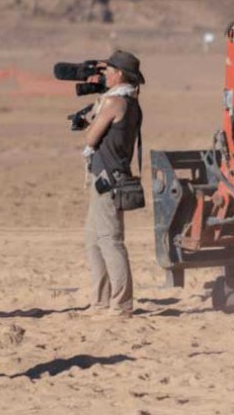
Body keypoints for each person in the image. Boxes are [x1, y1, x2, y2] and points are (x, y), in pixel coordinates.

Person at [82, 50, 145, 318]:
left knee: (110, 241)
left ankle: (121, 304)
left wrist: (92, 117)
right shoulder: (130, 103)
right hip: (107, 179)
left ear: (119, 74)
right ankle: (100, 301)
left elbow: (90, 138)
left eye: (108, 70)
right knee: (94, 241)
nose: (104, 74)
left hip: (108, 180)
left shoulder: (115, 103)